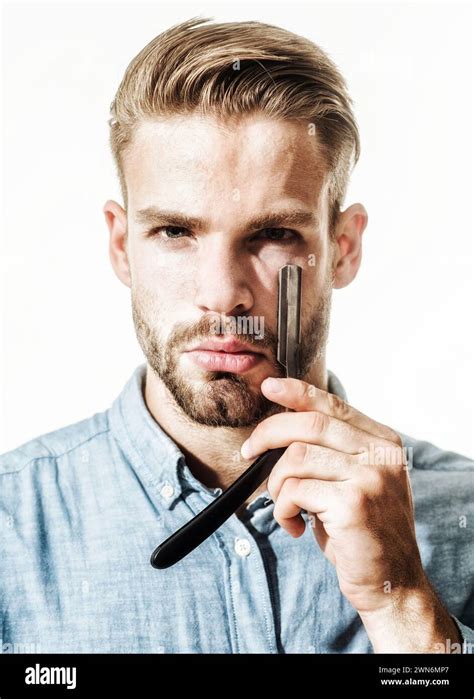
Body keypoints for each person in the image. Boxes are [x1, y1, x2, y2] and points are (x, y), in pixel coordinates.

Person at [1, 17, 472, 654]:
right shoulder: (11, 532)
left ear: (343, 247)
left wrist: (408, 610)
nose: (223, 294)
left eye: (274, 234)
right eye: (175, 232)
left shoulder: (465, 516)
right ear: (121, 246)